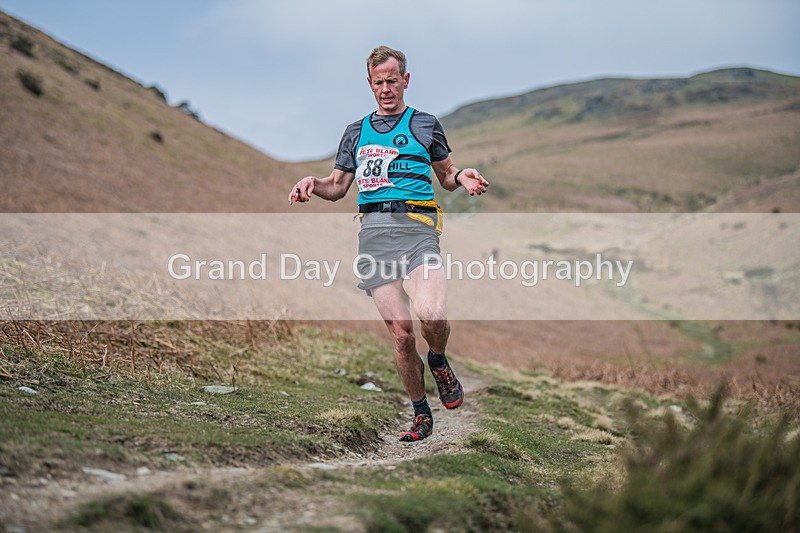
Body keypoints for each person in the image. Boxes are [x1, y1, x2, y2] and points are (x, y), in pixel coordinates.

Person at [288, 45, 488, 442]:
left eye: (392, 81)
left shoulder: (425, 124)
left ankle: (438, 360)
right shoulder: (355, 132)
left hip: (417, 232)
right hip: (374, 240)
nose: (385, 89)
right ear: (369, 83)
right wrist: (313, 183)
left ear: (405, 81)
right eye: (378, 82)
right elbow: (339, 186)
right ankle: (420, 414)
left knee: (432, 316)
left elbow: (445, 174)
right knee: (401, 334)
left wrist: (462, 176)